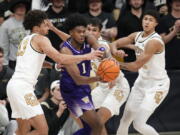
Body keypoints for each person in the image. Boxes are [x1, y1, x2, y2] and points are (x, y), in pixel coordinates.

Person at [6, 10, 103, 135]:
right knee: (43, 130)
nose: (48, 27)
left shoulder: (25, 40)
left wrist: (53, 66)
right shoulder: (41, 39)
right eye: (45, 24)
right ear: (36, 27)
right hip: (23, 88)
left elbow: (36, 61)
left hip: (14, 86)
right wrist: (87, 56)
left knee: (22, 131)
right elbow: (60, 57)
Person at [110, 10, 170, 135]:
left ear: (156, 24)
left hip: (157, 85)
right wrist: (115, 52)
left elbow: (135, 66)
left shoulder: (154, 42)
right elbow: (114, 43)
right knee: (125, 120)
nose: (147, 22)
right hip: (141, 82)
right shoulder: (136, 35)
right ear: (142, 20)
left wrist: (115, 64)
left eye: (151, 20)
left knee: (139, 124)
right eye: (145, 18)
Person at [59, 13, 105, 135]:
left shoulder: (88, 38)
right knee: (97, 125)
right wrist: (99, 78)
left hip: (84, 87)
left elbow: (101, 49)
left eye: (83, 31)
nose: (82, 34)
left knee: (90, 128)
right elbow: (78, 79)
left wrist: (105, 56)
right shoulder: (65, 50)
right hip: (71, 89)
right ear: (71, 32)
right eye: (78, 32)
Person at [86, 18, 130, 135]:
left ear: (100, 33)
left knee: (98, 121)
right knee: (88, 116)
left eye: (94, 30)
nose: (90, 32)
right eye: (88, 29)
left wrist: (113, 79)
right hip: (102, 87)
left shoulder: (102, 45)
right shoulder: (84, 46)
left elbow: (111, 62)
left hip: (117, 86)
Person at [0, 0, 30, 69]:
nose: (21, 8)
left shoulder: (30, 22)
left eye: (23, 6)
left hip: (29, 60)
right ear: (14, 8)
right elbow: (3, 45)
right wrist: (5, 64)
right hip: (14, 61)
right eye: (19, 6)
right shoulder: (6, 25)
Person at [157, 0, 180, 69]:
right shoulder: (163, 20)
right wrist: (175, 30)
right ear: (170, 3)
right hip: (170, 62)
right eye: (175, 1)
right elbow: (161, 41)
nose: (178, 3)